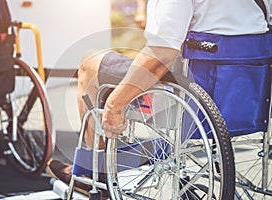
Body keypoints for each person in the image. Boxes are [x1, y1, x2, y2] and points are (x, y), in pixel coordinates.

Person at [48, 0, 272, 196]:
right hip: (245, 99)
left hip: (191, 97)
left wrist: (115, 105)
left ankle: (91, 171)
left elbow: (161, 53)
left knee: (90, 61)